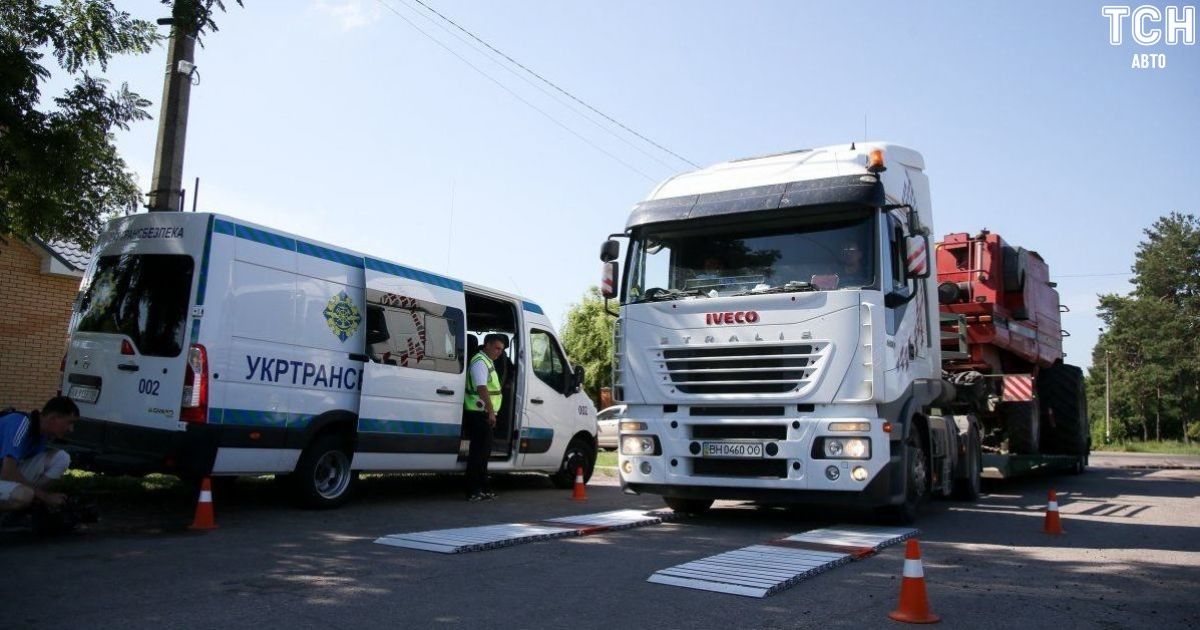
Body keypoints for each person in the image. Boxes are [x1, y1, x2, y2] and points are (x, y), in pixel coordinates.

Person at [0, 397, 78, 514]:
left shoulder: (41, 434)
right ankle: (26, 500)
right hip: (5, 472)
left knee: (62, 457)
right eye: (69, 422)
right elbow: (8, 472)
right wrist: (45, 497)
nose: (71, 429)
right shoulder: (21, 423)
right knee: (23, 495)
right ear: (54, 417)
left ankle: (30, 500)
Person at [463, 333, 506, 502]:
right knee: (477, 454)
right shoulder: (480, 362)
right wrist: (490, 411)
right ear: (486, 345)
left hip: (483, 414)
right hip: (478, 413)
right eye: (496, 348)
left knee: (484, 454)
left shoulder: (487, 361)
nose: (499, 352)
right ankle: (472, 490)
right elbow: (482, 388)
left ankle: (483, 488)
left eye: (501, 350)